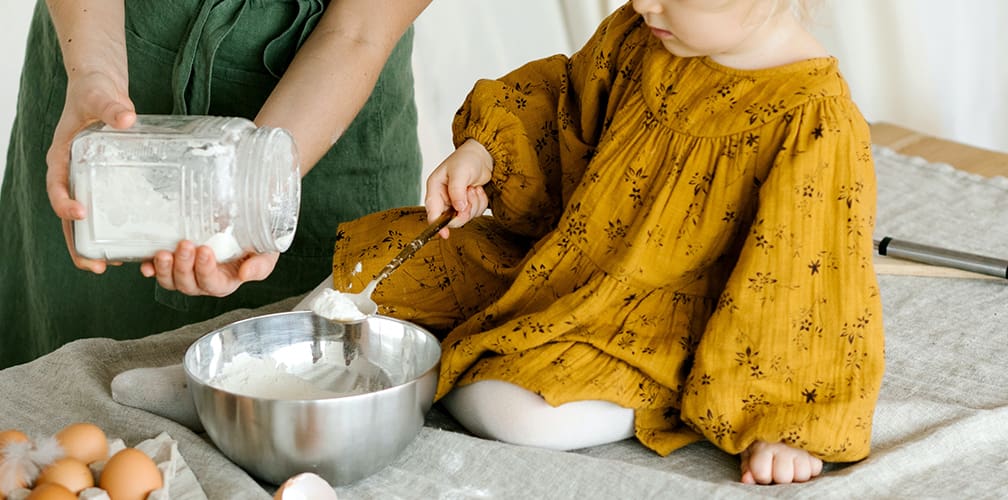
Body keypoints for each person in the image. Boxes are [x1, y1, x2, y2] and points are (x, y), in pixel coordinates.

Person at [331, 0, 884, 485]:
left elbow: (807, 283)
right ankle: (442, 357)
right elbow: (564, 104)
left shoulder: (814, 121)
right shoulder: (643, 34)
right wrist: (484, 152)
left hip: (655, 318)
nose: (646, 3)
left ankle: (631, 393)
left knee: (519, 412)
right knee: (374, 265)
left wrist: (784, 423)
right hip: (560, 259)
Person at [0, 0, 431, 368]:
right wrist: (94, 71)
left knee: (312, 380)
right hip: (101, 51)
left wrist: (261, 194)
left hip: (329, 102)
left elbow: (358, 32)